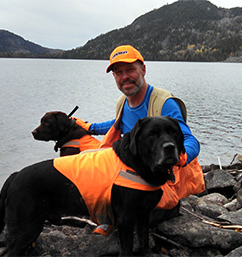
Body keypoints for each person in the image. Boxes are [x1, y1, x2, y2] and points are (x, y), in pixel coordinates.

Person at [76, 45, 205, 230]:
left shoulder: (164, 103)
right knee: (86, 163)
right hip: (133, 177)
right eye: (118, 72)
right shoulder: (123, 102)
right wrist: (89, 128)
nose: (125, 77)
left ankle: (163, 209)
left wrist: (179, 157)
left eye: (130, 70)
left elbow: (190, 140)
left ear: (143, 69)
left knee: (127, 218)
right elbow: (116, 123)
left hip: (161, 181)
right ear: (114, 77)